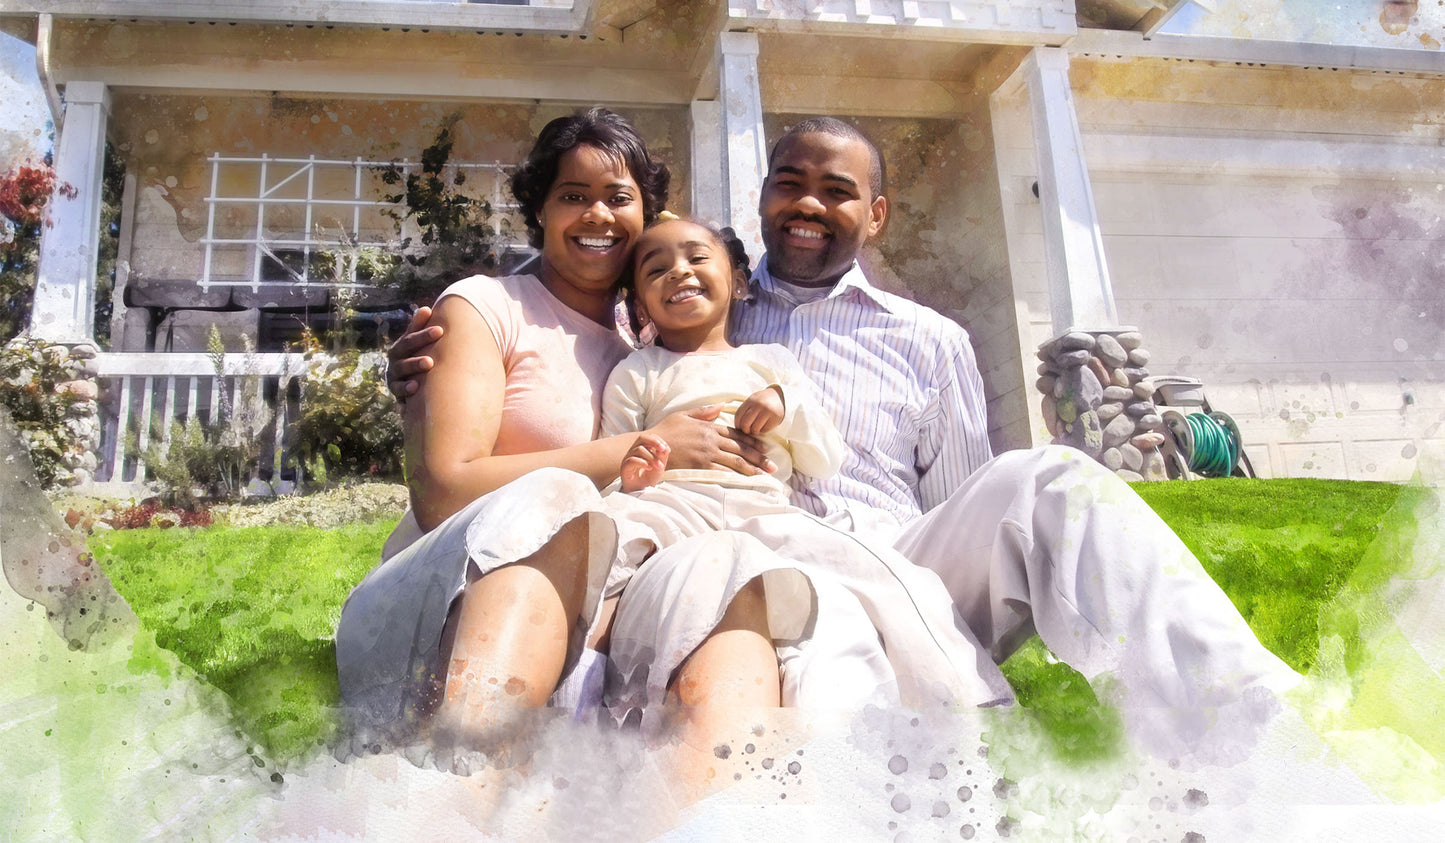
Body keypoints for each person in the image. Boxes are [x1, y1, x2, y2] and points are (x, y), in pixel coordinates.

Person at [392, 116, 1301, 753]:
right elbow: (572, 366)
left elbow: (960, 498)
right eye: (789, 183)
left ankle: (1250, 715)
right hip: (748, 560)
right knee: (809, 677)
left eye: (838, 190)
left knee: (1046, 482)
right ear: (759, 203)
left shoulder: (929, 337)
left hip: (900, 552)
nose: (809, 203)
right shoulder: (686, 323)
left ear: (875, 212)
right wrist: (421, 384)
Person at [334, 108, 783, 758]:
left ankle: (719, 814)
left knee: (726, 568)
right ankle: (455, 791)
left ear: (645, 215)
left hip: (589, 622)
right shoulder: (486, 307)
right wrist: (639, 445)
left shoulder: (645, 355)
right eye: (573, 196)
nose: (597, 215)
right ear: (538, 209)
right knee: (553, 501)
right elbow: (443, 490)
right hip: (454, 613)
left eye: (618, 197)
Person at [590, 215, 1011, 723]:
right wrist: (635, 475)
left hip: (762, 511)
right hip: (672, 505)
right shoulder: (637, 372)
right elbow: (616, 451)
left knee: (885, 574)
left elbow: (824, 457)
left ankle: (966, 699)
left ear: (739, 282)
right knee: (600, 556)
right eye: (656, 271)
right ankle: (577, 698)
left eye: (697, 259)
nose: (678, 273)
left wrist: (785, 405)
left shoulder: (772, 362)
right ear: (637, 303)